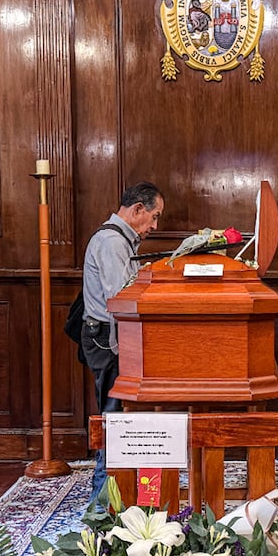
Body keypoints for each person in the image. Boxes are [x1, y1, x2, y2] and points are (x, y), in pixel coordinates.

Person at [81, 181, 165, 505]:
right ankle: (100, 505)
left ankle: (121, 496)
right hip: (108, 340)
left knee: (118, 416)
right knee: (113, 418)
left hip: (111, 337)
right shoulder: (112, 242)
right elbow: (122, 299)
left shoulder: (119, 241)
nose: (154, 226)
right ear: (137, 210)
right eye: (154, 217)